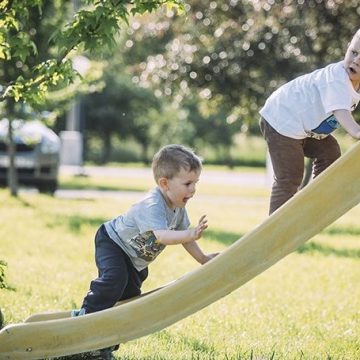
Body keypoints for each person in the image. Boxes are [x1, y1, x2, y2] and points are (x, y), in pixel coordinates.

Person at [72, 144, 218, 360]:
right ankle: (84, 318)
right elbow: (161, 236)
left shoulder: (178, 208)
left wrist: (204, 258)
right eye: (187, 183)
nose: (193, 189)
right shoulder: (153, 204)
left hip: (135, 262)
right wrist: (191, 234)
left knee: (128, 300)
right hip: (113, 243)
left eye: (195, 183)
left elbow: (185, 239)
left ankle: (104, 346)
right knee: (114, 280)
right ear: (164, 183)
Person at [259, 29, 360, 215]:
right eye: (354, 52)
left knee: (330, 151)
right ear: (347, 49)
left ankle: (317, 198)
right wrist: (357, 132)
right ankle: (274, 229)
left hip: (304, 128)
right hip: (282, 119)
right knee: (289, 177)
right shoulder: (337, 79)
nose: (356, 60)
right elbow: (342, 113)